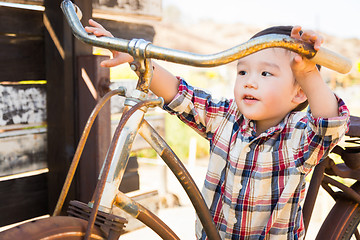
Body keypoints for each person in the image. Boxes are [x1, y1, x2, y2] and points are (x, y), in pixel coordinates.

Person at [85, 20, 350, 239]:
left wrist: (308, 73)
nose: (250, 83)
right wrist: (137, 59)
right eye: (243, 72)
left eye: (265, 74)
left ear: (299, 92)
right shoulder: (226, 119)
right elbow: (181, 95)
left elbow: (329, 126)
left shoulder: (298, 137)